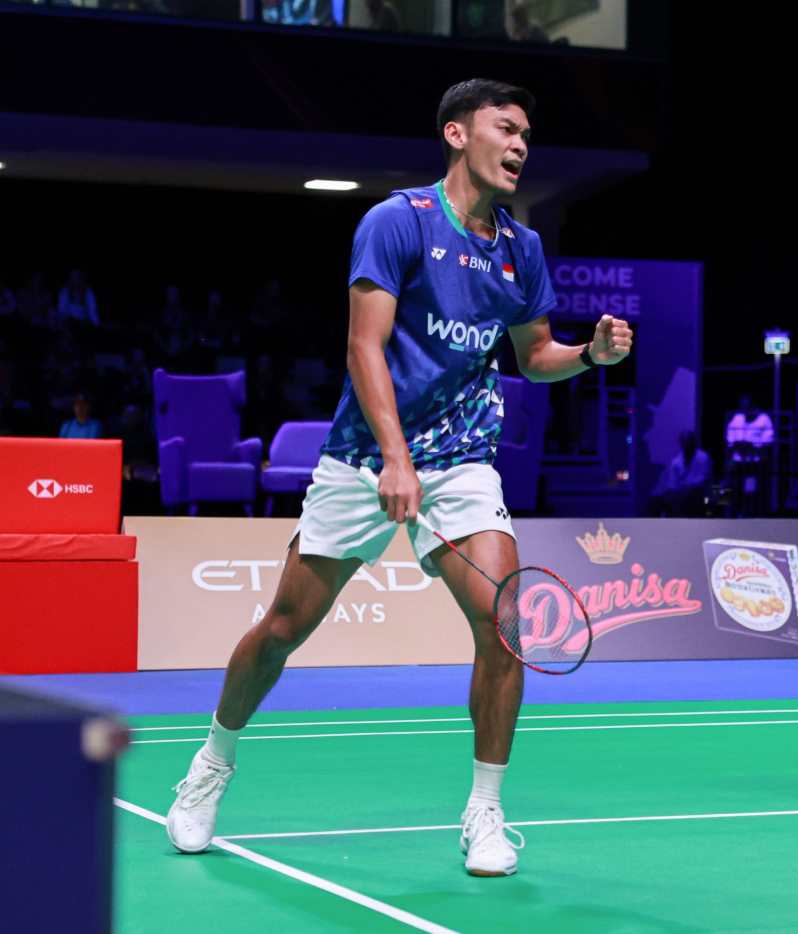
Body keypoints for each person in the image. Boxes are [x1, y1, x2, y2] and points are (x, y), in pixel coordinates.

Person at [163, 79, 633, 879]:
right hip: (365, 457)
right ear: (457, 133)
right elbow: (363, 346)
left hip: (462, 461)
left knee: (504, 622)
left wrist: (589, 354)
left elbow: (533, 357)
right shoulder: (398, 222)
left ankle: (485, 810)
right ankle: (211, 763)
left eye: (527, 135)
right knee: (283, 629)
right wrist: (394, 458)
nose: (520, 146)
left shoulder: (521, 248)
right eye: (505, 128)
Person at [649, 430, 712, 516]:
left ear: (694, 443)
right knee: (655, 500)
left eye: (689, 443)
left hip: (699, 494)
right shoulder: (676, 462)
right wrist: (674, 492)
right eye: (685, 443)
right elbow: (672, 484)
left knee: (691, 497)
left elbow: (704, 478)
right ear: (681, 444)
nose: (687, 445)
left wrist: (689, 487)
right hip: (681, 494)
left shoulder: (703, 458)